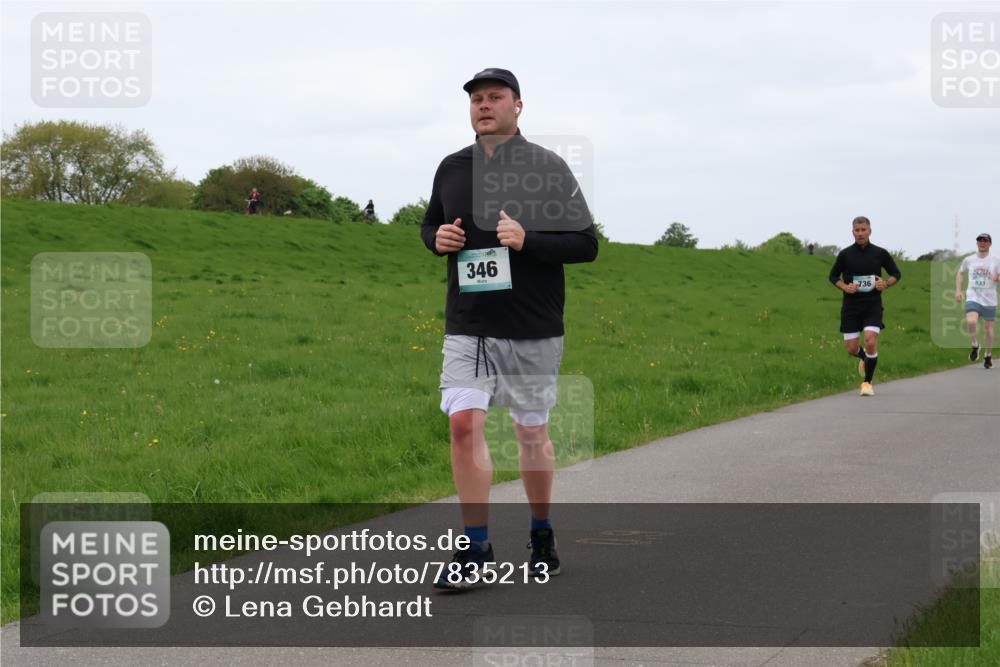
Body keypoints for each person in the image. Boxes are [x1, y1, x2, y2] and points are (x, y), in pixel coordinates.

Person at [421, 68, 598, 589]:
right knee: (463, 424)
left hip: (531, 322)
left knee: (529, 429)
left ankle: (541, 531)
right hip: (469, 321)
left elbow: (586, 244)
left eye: (495, 97)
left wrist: (528, 240)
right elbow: (430, 223)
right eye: (476, 98)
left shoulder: (547, 167)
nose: (483, 105)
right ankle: (476, 546)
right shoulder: (453, 168)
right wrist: (438, 239)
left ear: (518, 106)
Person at [828, 216, 901, 395]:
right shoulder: (845, 254)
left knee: (870, 339)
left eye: (863, 230)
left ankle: (867, 383)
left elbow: (896, 274)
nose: (860, 233)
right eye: (857, 230)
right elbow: (833, 276)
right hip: (851, 307)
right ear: (852, 232)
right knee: (852, 348)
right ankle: (864, 358)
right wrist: (845, 287)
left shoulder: (880, 253)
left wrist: (886, 283)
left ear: (870, 231)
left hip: (872, 305)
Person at [955, 233, 999, 369]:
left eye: (985, 241)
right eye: (980, 241)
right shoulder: (969, 260)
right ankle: (975, 345)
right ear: (977, 243)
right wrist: (958, 290)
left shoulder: (996, 260)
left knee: (989, 331)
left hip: (989, 300)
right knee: (971, 321)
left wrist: (996, 278)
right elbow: (960, 273)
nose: (982, 243)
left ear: (990, 244)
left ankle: (987, 355)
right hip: (973, 296)